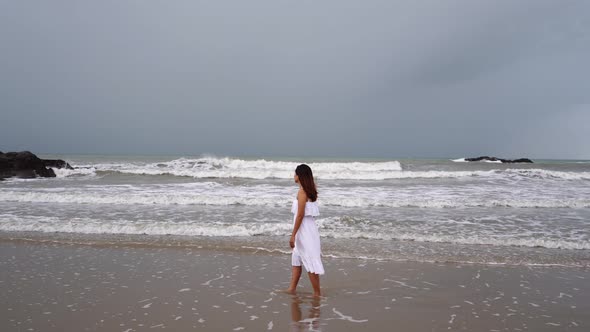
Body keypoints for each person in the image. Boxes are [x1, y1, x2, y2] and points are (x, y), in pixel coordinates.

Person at [286, 164, 324, 297]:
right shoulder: (310, 189)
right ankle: (291, 289)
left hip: (305, 231)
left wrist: (293, 235)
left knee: (310, 261)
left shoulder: (302, 192)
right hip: (308, 228)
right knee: (296, 258)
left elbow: (300, 215)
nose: (293, 176)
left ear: (299, 176)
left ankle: (317, 293)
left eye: (295, 173)